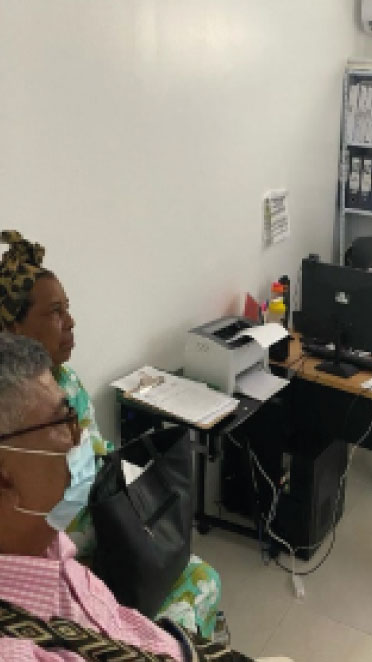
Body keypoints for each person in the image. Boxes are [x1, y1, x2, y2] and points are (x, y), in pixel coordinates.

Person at [0, 333, 292, 662]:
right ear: (3, 476)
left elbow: (118, 622)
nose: (79, 436)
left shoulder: (47, 544)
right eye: (62, 421)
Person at [0, 231, 220, 637]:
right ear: (13, 326)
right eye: (55, 312)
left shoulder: (68, 382)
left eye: (68, 308)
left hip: (109, 527)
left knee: (202, 574)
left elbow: (100, 462)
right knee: (184, 599)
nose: (70, 322)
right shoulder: (15, 415)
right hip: (64, 554)